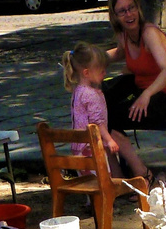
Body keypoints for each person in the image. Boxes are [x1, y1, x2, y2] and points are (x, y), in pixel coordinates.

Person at [64, 40, 149, 180]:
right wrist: (109, 140)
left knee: (92, 182)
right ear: (86, 72)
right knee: (102, 179)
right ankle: (105, 199)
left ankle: (93, 200)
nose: (105, 73)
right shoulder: (91, 95)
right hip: (90, 147)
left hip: (79, 146)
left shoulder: (78, 91)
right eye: (101, 70)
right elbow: (97, 121)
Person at [103, 0, 166, 130]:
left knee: (113, 116)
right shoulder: (124, 35)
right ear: (115, 16)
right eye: (122, 11)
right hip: (142, 89)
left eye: (132, 8)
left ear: (138, 8)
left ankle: (122, 152)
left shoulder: (149, 33)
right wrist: (89, 58)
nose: (129, 14)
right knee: (100, 99)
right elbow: (119, 53)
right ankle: (114, 150)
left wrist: (146, 95)